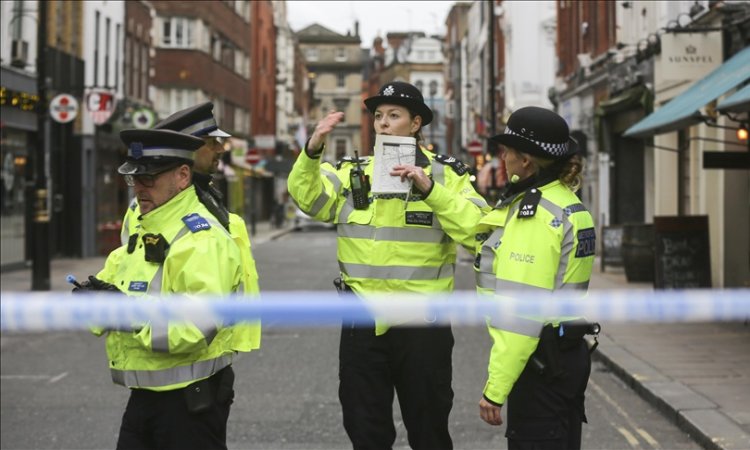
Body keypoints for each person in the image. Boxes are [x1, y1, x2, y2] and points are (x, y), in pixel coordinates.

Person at [288, 81, 490, 450]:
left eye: (393, 115)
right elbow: (309, 199)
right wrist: (312, 150)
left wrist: (431, 191)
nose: (382, 123)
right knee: (365, 430)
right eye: (378, 116)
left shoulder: (447, 176)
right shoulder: (353, 172)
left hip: (423, 324)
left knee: (428, 430)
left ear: (415, 124)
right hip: (362, 322)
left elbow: (478, 231)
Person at [74, 128, 245, 449]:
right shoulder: (144, 227)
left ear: (182, 176)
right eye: (133, 179)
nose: (138, 188)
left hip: (190, 401)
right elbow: (112, 292)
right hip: (147, 397)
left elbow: (196, 327)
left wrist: (127, 316)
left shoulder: (202, 239)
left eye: (148, 178)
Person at [473, 106, 598, 449]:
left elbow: (520, 317)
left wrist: (495, 390)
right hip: (566, 356)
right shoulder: (568, 204)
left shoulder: (536, 216)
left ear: (526, 160)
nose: (503, 156)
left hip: (542, 362)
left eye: (507, 149)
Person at [121, 102, 260, 352]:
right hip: (178, 349)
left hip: (204, 347)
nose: (220, 149)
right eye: (211, 142)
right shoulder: (161, 204)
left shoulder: (207, 195)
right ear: (188, 147)